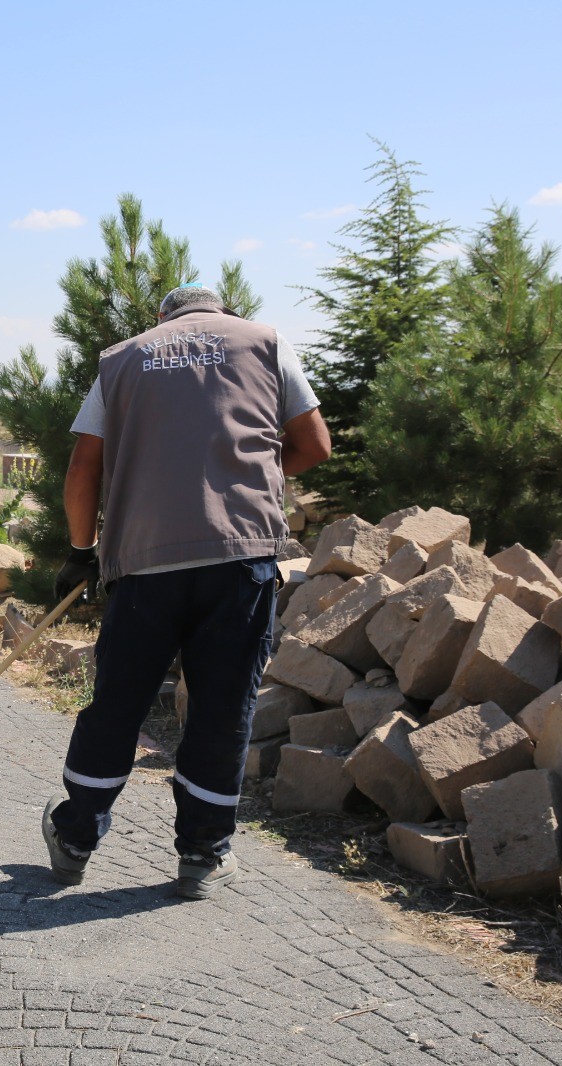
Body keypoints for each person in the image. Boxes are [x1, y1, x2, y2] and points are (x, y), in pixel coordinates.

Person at [41, 284, 332, 899]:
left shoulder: (124, 358)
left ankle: (75, 840)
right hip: (240, 558)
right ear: (222, 312)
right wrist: (247, 474)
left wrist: (79, 551)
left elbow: (82, 468)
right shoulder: (266, 343)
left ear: (161, 318)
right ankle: (202, 852)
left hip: (145, 562)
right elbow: (315, 446)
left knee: (118, 704)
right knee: (223, 709)